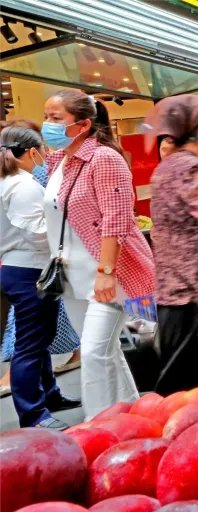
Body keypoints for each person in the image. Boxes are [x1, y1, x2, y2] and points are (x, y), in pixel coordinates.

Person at [42, 88, 155, 420]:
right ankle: (130, 415)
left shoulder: (104, 159)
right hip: (72, 276)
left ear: (83, 124)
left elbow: (116, 218)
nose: (47, 124)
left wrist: (106, 270)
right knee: (107, 349)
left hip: (108, 273)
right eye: (46, 116)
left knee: (93, 352)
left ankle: (98, 428)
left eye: (55, 118)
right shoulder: (57, 162)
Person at [146, 95, 198, 394]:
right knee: (193, 389)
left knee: (178, 389)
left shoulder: (167, 167)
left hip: (173, 293)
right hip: (194, 295)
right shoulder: (193, 170)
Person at [0, 125, 80, 430]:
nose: (45, 156)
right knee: (32, 344)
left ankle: (50, 395)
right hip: (29, 269)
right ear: (31, 152)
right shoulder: (24, 186)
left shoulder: (8, 182)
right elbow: (37, 234)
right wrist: (67, 230)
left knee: (39, 339)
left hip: (16, 267)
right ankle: (33, 413)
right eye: (42, 150)